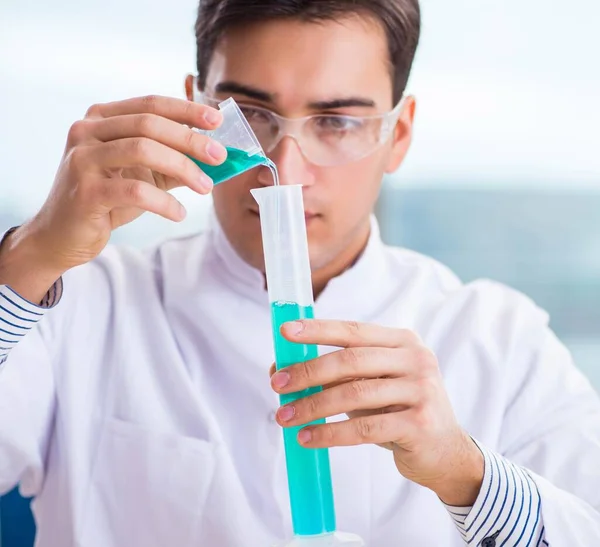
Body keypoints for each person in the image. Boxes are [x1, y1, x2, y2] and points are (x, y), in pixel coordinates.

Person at [0, 0, 599, 545]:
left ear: (399, 134)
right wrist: (28, 256)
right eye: (250, 118)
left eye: (336, 122)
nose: (284, 173)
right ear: (195, 110)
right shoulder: (73, 300)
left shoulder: (500, 341)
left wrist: (464, 471)